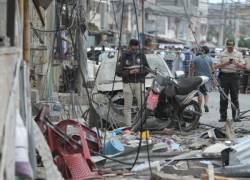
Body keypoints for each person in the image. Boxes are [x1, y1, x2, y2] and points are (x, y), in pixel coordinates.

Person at [116, 39, 149, 126]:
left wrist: (140, 71)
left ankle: (141, 125)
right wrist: (129, 72)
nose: (135, 51)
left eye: (136, 49)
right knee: (127, 107)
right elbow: (118, 72)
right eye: (133, 49)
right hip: (128, 83)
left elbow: (147, 69)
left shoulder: (142, 56)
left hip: (139, 83)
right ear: (129, 47)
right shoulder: (123, 57)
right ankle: (129, 126)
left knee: (142, 106)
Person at [215, 39, 246, 122]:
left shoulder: (238, 54)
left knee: (235, 97)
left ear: (234, 46)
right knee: (223, 97)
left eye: (231, 47)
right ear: (226, 46)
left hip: (234, 77)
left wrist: (236, 63)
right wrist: (226, 63)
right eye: (228, 47)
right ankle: (223, 117)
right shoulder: (222, 54)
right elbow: (216, 66)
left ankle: (235, 116)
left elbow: (243, 66)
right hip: (224, 77)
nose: (230, 49)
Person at [189, 46, 214, 112]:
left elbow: (192, 68)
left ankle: (199, 108)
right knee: (205, 93)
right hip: (207, 78)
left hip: (198, 78)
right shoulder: (210, 59)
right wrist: (213, 79)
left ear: (202, 51)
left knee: (199, 93)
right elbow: (213, 70)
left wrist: (190, 76)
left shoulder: (196, 58)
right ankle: (205, 104)